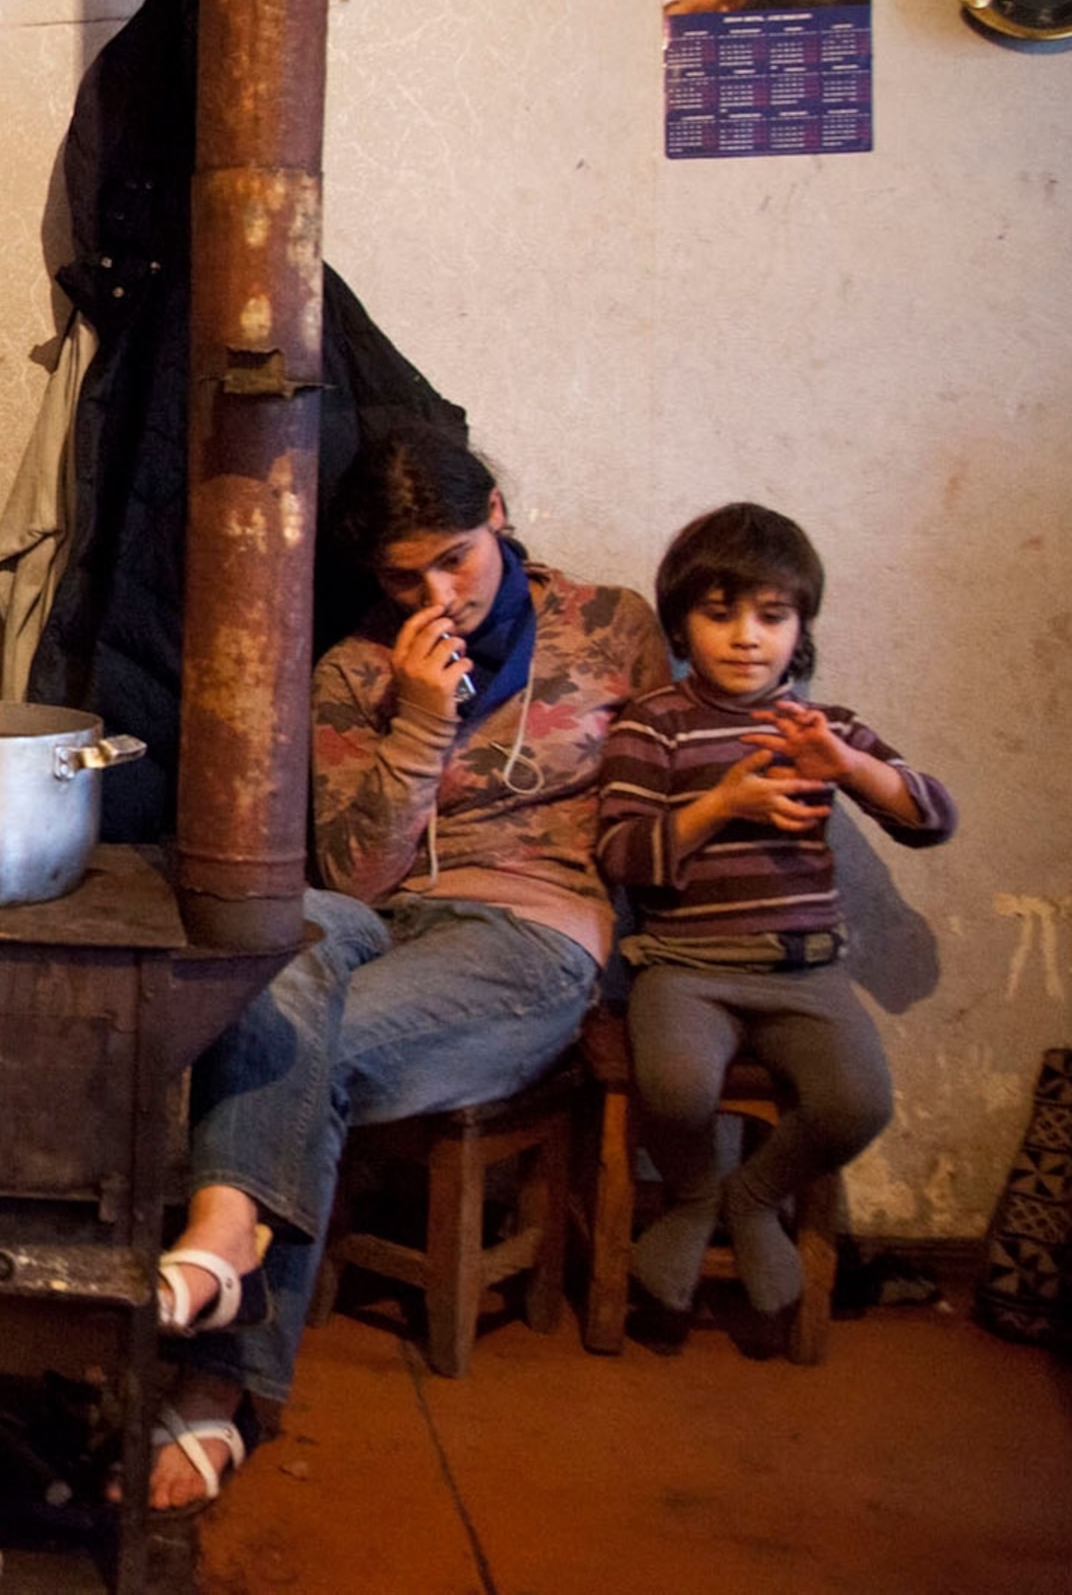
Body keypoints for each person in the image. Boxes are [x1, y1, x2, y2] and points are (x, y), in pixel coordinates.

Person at [139, 425, 669, 1511]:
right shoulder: (355, 668)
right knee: (286, 940)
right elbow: (354, 871)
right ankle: (229, 1237)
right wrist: (422, 719)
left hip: (528, 936)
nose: (438, 590)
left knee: (296, 1050)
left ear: (499, 518)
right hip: (394, 915)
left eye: (455, 556)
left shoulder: (612, 625)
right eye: (402, 574)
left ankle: (218, 1367)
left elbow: (663, 795)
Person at [595, 503, 953, 1355]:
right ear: (683, 620)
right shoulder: (655, 724)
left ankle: (750, 1198)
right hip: (684, 967)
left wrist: (853, 767)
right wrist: (722, 805)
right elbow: (619, 854)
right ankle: (692, 1196)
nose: (746, 638)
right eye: (720, 615)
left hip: (805, 973)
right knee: (677, 1087)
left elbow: (932, 816)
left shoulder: (821, 730)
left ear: (802, 626)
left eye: (772, 616)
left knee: (857, 1100)